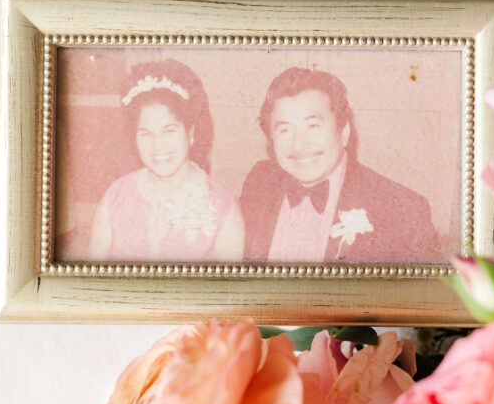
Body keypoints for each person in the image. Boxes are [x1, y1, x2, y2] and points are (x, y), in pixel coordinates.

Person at [240, 66, 440, 263]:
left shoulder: (402, 211)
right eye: (284, 130)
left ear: (343, 132)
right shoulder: (259, 182)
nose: (299, 144)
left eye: (313, 126)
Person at [87, 59, 243, 262]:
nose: (157, 145)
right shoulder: (115, 196)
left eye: (169, 130)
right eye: (146, 133)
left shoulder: (224, 208)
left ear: (191, 133)